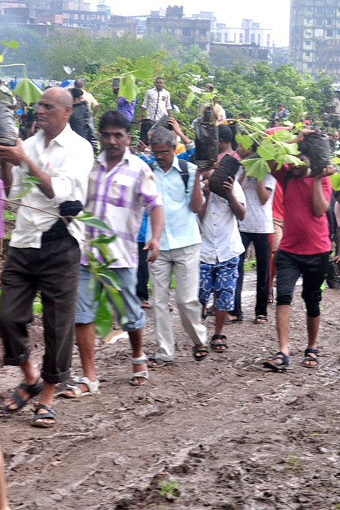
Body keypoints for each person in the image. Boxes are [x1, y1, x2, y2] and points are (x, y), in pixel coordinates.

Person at [0, 87, 94, 427]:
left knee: (57, 324)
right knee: (7, 316)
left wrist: (24, 160)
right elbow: (12, 191)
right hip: (23, 241)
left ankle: (48, 395)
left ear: (66, 112)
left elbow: (58, 192)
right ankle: (31, 376)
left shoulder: (80, 149)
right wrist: (6, 163)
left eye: (48, 106)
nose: (40, 111)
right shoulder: (29, 143)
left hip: (60, 243)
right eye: (39, 105)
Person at [63, 110, 164, 397]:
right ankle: (89, 377)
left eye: (117, 135)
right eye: (106, 134)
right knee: (82, 315)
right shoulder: (90, 167)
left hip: (121, 257)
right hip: (87, 255)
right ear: (99, 136)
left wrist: (155, 238)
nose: (111, 140)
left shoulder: (139, 168)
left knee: (130, 316)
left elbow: (155, 205)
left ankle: (137, 356)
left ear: (127, 137)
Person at [264, 142, 334, 372]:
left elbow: (319, 209)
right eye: (291, 160)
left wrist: (315, 177)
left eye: (299, 160)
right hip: (289, 250)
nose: (294, 165)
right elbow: (268, 145)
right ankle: (283, 350)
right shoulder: (285, 175)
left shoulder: (323, 179)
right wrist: (295, 139)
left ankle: (311, 346)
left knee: (312, 300)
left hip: (318, 249)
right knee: (284, 296)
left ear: (309, 160)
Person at [143, 128, 209, 367]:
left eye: (163, 152)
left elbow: (195, 208)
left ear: (173, 149)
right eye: (155, 152)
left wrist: (198, 177)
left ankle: (199, 339)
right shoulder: (147, 172)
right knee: (159, 301)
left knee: (186, 299)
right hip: (157, 243)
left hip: (187, 242)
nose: (158, 156)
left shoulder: (189, 171)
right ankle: (164, 352)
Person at [198, 160, 246, 354]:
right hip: (204, 249)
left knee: (224, 295)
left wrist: (230, 194)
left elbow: (242, 214)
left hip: (228, 249)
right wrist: (207, 194)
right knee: (200, 294)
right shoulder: (200, 187)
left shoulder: (233, 185)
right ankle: (199, 331)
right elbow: (197, 216)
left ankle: (218, 334)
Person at [232, 147, 276, 324]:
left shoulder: (268, 175)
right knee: (237, 269)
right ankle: (236, 310)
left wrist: (257, 175)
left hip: (263, 227)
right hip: (242, 225)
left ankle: (261, 311)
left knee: (263, 271)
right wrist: (243, 172)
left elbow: (264, 198)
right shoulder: (240, 171)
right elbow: (234, 190)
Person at [137, 77, 172, 144]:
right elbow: (144, 105)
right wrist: (140, 117)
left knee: (159, 138)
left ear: (163, 84)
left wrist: (170, 118)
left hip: (161, 119)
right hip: (150, 118)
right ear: (155, 83)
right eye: (158, 82)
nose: (159, 84)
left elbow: (168, 106)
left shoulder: (166, 93)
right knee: (147, 137)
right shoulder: (149, 92)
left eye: (161, 83)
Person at [67, 88, 97, 153]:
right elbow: (90, 126)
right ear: (76, 99)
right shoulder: (84, 108)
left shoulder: (66, 111)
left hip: (69, 145)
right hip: (84, 143)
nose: (83, 100)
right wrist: (94, 144)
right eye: (82, 98)